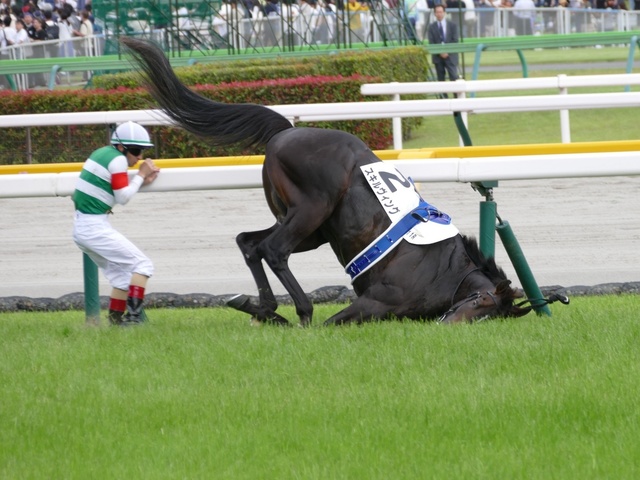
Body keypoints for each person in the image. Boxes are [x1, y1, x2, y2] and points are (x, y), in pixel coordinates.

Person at [72, 121, 160, 327]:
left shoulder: (101, 153)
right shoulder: (118, 160)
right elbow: (123, 198)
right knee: (143, 265)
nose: (139, 157)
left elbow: (111, 189)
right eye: (136, 151)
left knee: (121, 279)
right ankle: (134, 319)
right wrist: (141, 175)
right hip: (93, 227)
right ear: (121, 147)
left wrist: (139, 181)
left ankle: (115, 325)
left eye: (142, 151)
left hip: (82, 227)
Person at [427, 4, 459, 87]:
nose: (439, 14)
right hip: (438, 58)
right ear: (435, 14)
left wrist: (447, 51)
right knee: (441, 80)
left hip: (451, 56)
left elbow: (455, 40)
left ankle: (456, 94)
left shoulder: (452, 25)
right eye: (437, 12)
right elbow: (431, 42)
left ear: (444, 13)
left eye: (441, 12)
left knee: (454, 77)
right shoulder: (431, 27)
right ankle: (443, 95)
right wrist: (440, 52)